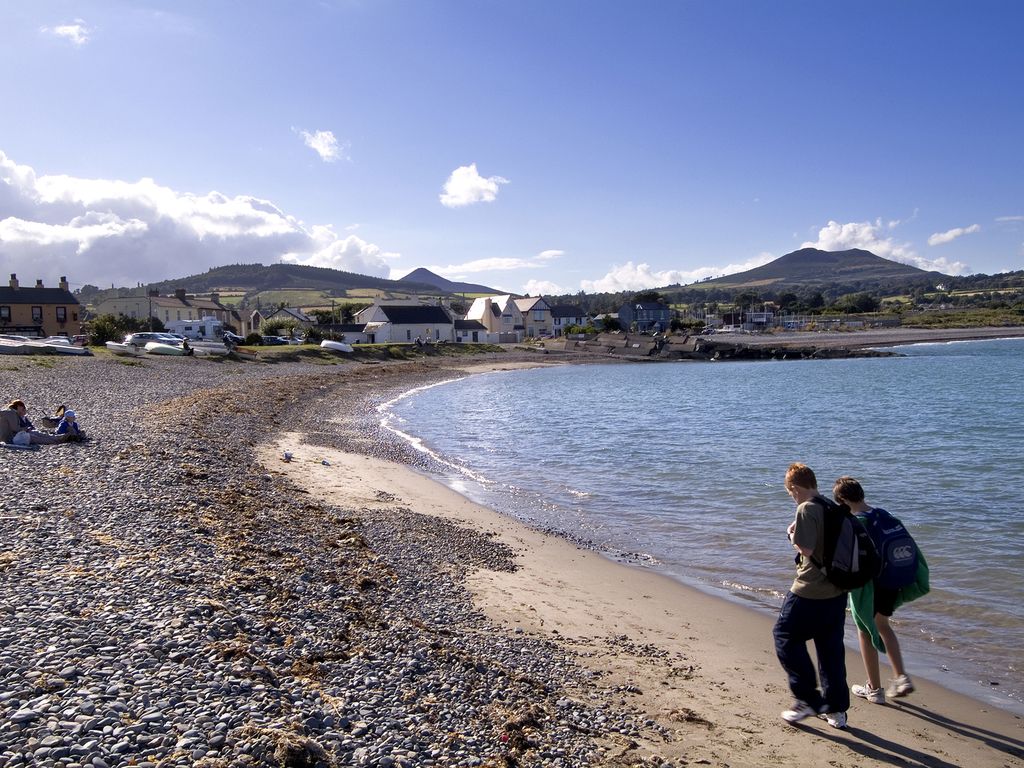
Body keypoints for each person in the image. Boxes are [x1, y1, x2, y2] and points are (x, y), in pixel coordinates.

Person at [833, 476, 928, 704]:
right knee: (883, 626)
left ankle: (874, 689)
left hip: (870, 587)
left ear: (843, 500)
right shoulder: (885, 516)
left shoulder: (857, 522)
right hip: (893, 582)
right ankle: (900, 676)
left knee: (865, 630)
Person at [773, 462, 850, 729]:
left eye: (790, 492)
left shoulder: (805, 508)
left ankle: (807, 699)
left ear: (794, 488)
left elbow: (805, 548)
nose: (791, 496)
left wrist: (791, 534)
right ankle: (837, 710)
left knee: (784, 636)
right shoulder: (831, 505)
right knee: (830, 650)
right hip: (838, 591)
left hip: (809, 590)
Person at [1, 399, 66, 445]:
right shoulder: (11, 413)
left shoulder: (11, 413)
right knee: (33, 436)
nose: (24, 409)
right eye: (22, 408)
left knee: (35, 433)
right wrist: (26, 429)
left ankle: (57, 438)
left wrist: (26, 429)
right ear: (18, 407)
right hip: (9, 439)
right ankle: (56, 441)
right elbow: (15, 428)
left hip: (10, 437)